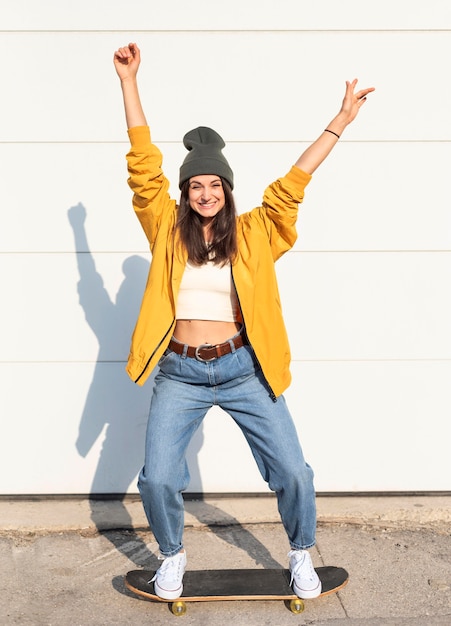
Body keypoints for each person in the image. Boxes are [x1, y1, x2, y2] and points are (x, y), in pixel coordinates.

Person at [113, 42, 374, 601]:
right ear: (185, 193)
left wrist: (341, 120)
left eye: (215, 185)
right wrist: (129, 82)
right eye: (195, 186)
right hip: (180, 373)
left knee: (294, 472)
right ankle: (172, 558)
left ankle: (301, 554)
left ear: (227, 191)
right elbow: (143, 167)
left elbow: (294, 182)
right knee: (158, 477)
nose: (205, 194)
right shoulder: (164, 229)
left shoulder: (256, 232)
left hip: (243, 368)